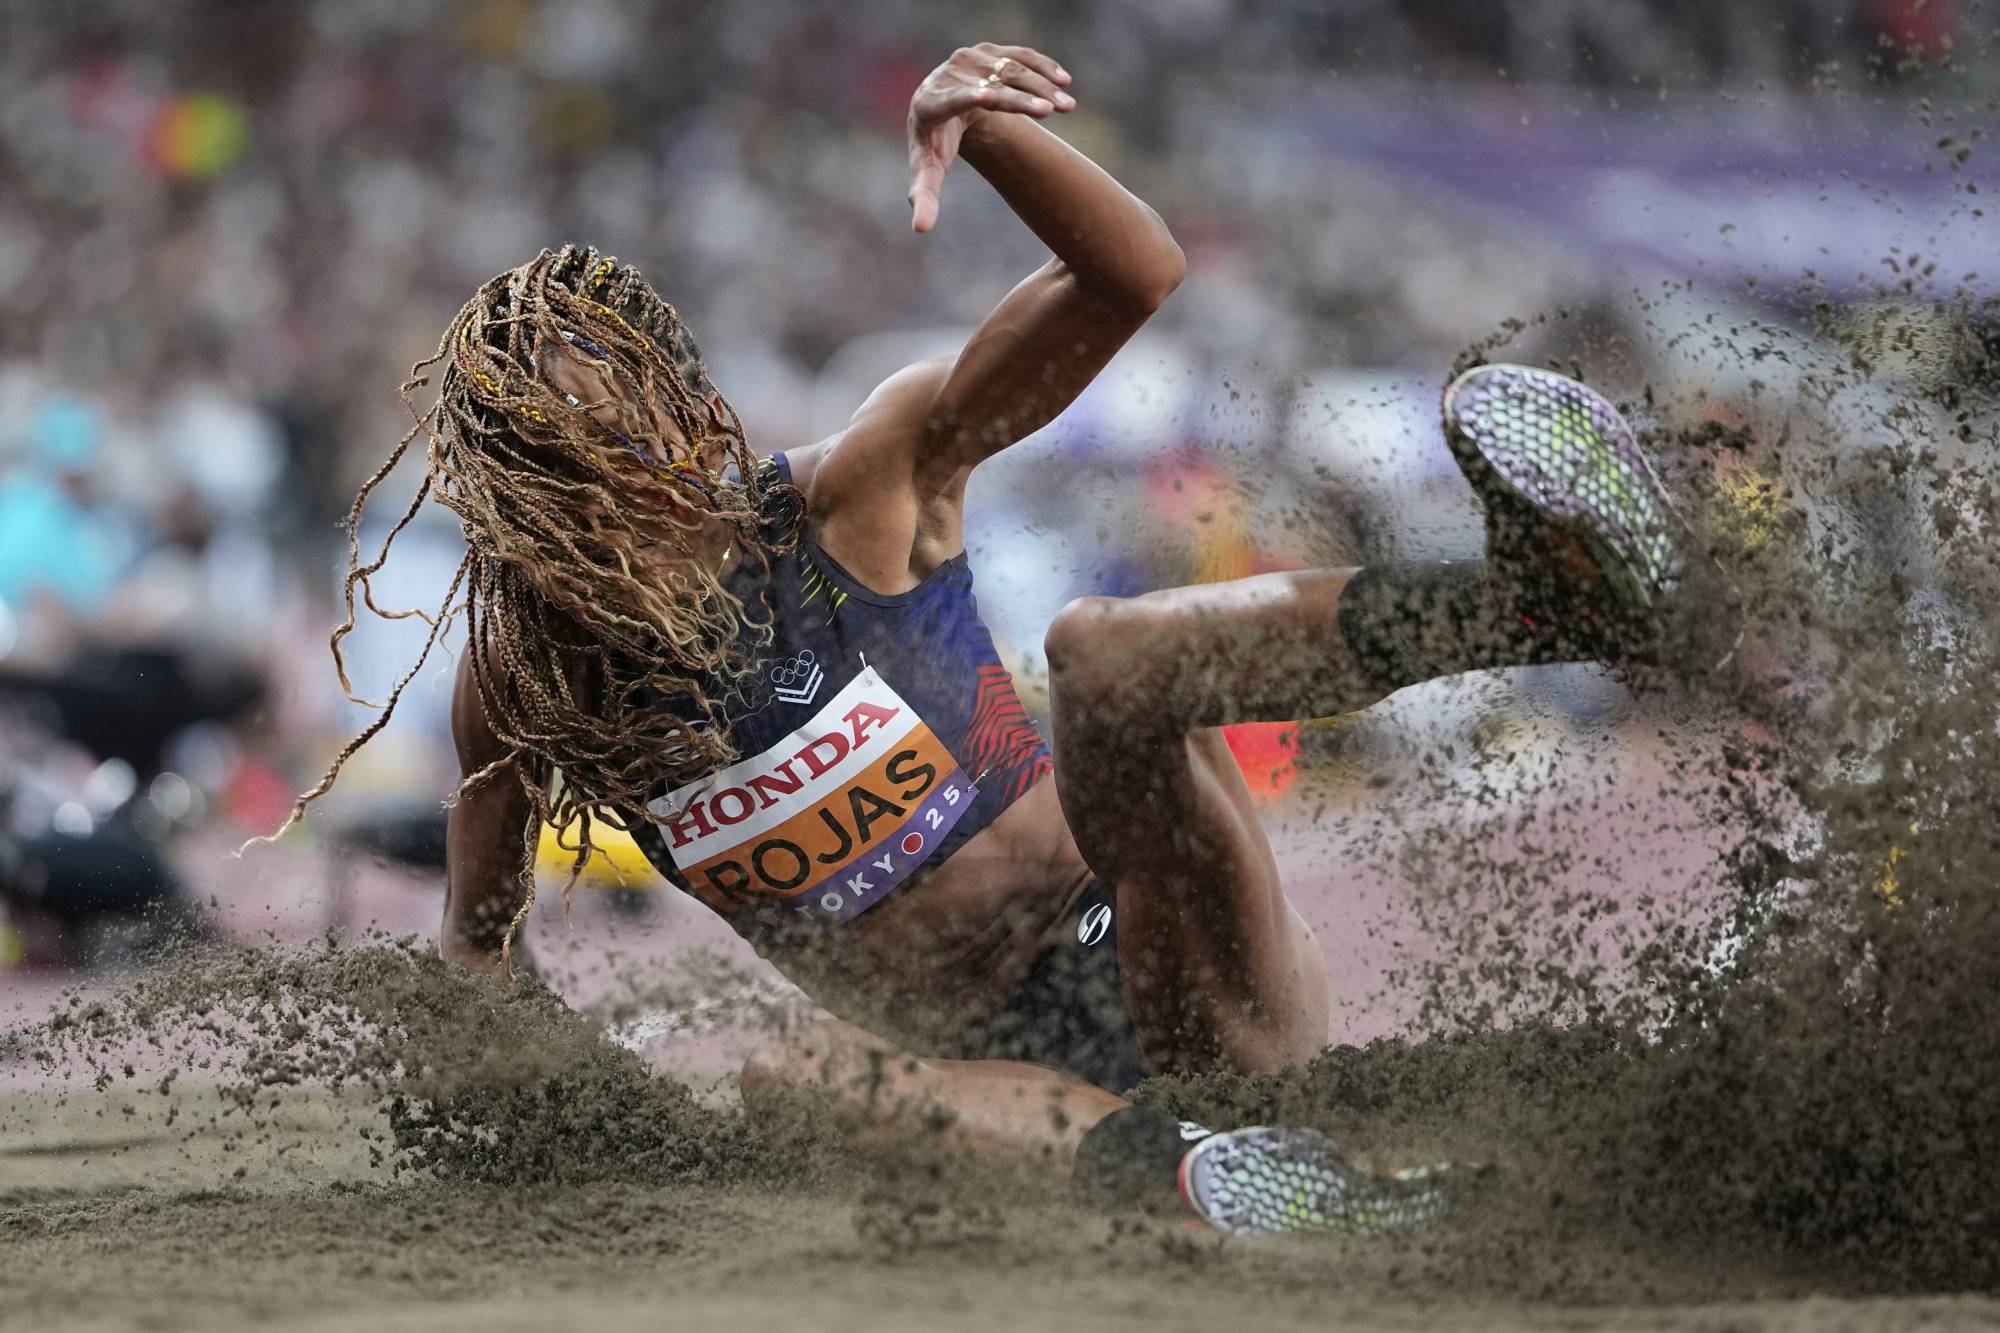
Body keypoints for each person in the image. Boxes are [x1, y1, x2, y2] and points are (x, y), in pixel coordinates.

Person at [272, 42, 1694, 1237]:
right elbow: (480, 947)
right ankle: (1234, 1188)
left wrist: (985, 130)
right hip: (1019, 1098)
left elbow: (1132, 276)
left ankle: (1541, 600)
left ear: (686, 422)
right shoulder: (530, 687)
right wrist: (545, 1110)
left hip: (1167, 954)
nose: (595, 504)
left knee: (1103, 651)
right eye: (547, 483)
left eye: (612, 453)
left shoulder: (856, 493)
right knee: (791, 1080)